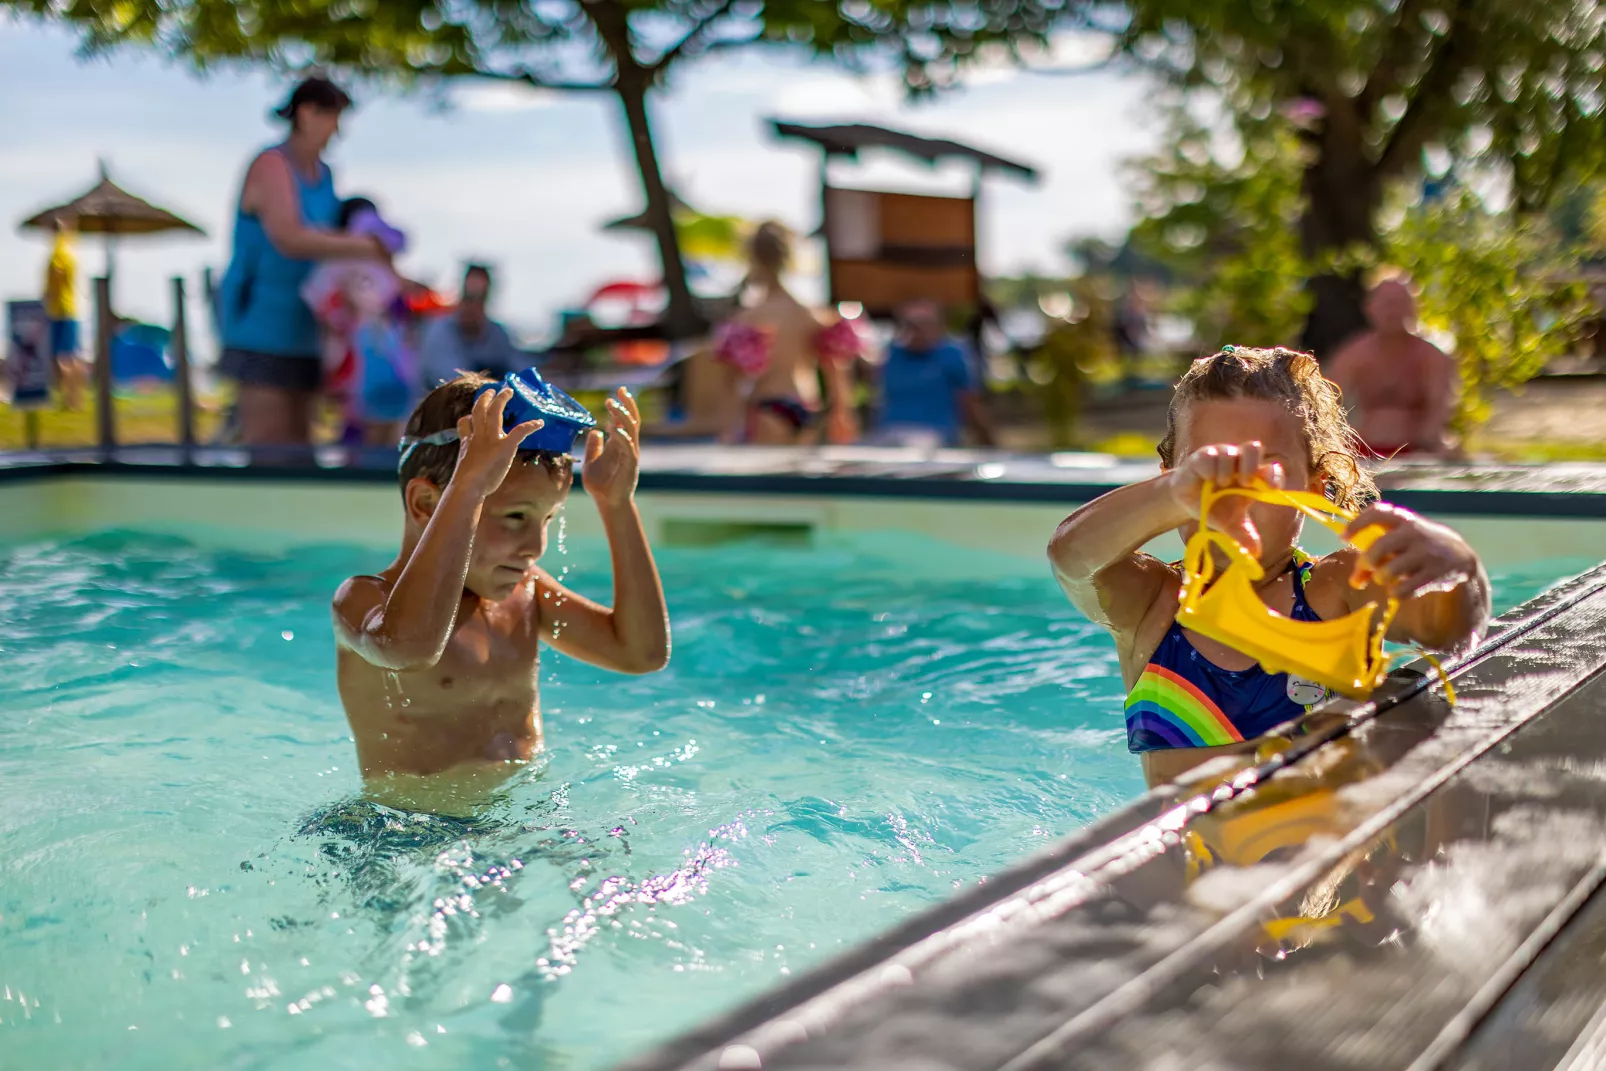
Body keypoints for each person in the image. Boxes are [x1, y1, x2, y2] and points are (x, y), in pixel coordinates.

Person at [1047, 346, 1489, 789]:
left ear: (1314, 487)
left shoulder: (1339, 589)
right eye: (1207, 469)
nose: (1233, 494)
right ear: (1168, 476)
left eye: (1264, 472)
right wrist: (1172, 496)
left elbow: (1448, 630)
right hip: (1189, 856)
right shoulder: (1152, 606)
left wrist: (1460, 568)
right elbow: (1071, 560)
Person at [331, 371, 669, 815]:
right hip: (408, 831)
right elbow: (410, 647)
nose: (535, 546)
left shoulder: (526, 594)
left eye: (547, 520)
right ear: (427, 504)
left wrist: (617, 504)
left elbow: (640, 653)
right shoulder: (363, 600)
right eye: (514, 516)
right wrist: (468, 487)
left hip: (517, 823)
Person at [216, 76, 390, 448]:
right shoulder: (270, 164)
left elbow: (329, 246)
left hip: (307, 331)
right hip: (261, 328)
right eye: (333, 117)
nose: (337, 131)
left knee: (302, 446)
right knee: (268, 446)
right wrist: (367, 247)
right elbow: (290, 237)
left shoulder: (325, 174)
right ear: (307, 113)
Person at [711, 222, 859, 445]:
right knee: (801, 477)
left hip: (768, 403)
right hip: (806, 401)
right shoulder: (810, 313)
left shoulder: (748, 317)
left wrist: (727, 427)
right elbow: (835, 366)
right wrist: (843, 412)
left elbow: (729, 380)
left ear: (752, 258)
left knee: (768, 477)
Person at [302, 195, 418, 446]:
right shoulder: (374, 266)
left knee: (369, 430)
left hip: (368, 364)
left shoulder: (332, 266)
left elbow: (319, 305)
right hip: (367, 365)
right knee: (373, 432)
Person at [1326, 277, 1455, 458]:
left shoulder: (1431, 356)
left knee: (1450, 450)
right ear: (1370, 307)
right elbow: (1329, 406)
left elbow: (1439, 407)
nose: (1393, 311)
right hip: (1365, 448)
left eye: (1400, 303)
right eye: (1387, 303)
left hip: (1418, 449)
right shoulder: (1352, 355)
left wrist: (1425, 448)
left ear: (1414, 307)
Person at [873, 299, 997, 449]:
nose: (915, 332)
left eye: (921, 325)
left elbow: (969, 401)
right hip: (889, 433)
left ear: (937, 326)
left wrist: (989, 443)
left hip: (934, 434)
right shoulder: (893, 354)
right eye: (910, 325)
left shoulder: (952, 354)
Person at [417, 265, 524, 388]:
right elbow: (454, 384)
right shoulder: (439, 332)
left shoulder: (498, 334)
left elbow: (518, 371)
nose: (472, 306)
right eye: (469, 297)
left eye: (479, 297)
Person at [42, 221, 87, 410]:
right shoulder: (71, 248)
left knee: (61, 357)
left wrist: (46, 298)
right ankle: (76, 399)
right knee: (73, 356)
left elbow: (57, 274)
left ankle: (68, 399)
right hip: (73, 308)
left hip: (59, 310)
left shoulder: (58, 251)